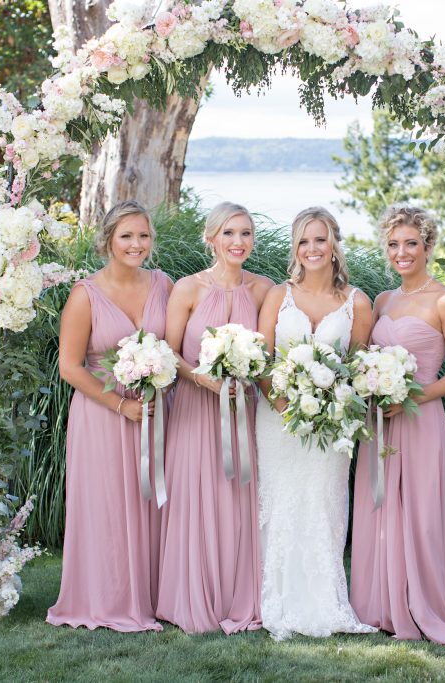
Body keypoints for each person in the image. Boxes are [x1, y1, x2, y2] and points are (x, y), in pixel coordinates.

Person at [350, 205, 445, 645]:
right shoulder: (384, 301)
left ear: (427, 246)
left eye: (411, 243)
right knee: (381, 508)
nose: (401, 252)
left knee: (423, 516)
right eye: (393, 244)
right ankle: (382, 607)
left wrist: (411, 396)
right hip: (380, 426)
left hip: (422, 422)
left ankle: (425, 605)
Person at [47, 200, 172, 632]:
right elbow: (70, 366)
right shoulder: (85, 294)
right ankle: (105, 597)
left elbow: (174, 346)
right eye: (127, 236)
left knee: (151, 504)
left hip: (154, 412)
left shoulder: (164, 284)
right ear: (108, 240)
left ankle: (154, 596)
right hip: (103, 415)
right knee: (106, 505)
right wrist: (122, 405)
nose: (136, 244)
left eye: (143, 236)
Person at [254, 206, 376, 640]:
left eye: (320, 240)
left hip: (332, 426)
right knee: (281, 503)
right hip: (276, 419)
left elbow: (360, 368)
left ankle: (325, 601)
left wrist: (331, 402)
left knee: (324, 504)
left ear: (334, 244)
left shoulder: (357, 302)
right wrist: (283, 401)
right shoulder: (277, 295)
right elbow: (262, 360)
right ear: (295, 247)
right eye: (304, 241)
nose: (312, 249)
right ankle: (278, 598)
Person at [156, 202, 274, 634]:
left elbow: (266, 355)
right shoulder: (188, 289)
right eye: (228, 233)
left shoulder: (263, 290)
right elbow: (169, 351)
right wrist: (200, 378)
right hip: (194, 406)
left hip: (242, 410)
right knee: (195, 495)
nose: (238, 242)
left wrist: (248, 372)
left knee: (237, 497)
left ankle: (238, 595)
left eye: (245, 233)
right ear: (211, 239)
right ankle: (191, 596)